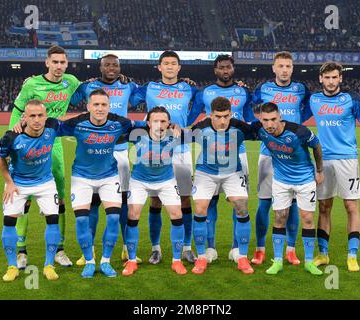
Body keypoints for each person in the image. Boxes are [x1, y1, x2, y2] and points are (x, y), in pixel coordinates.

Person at [8, 45, 80, 268]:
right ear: (47, 63)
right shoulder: (31, 84)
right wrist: (13, 144)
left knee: (59, 195)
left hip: (54, 143)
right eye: (55, 62)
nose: (59, 66)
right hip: (28, 142)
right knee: (23, 195)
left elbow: (92, 89)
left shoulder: (71, 82)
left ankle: (59, 249)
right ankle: (21, 250)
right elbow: (17, 111)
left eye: (63, 62)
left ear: (67, 64)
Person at [70, 53, 143, 265]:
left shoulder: (128, 86)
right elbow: (71, 98)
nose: (111, 67)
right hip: (93, 151)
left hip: (120, 151)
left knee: (122, 202)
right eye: (107, 64)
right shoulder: (88, 87)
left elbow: (145, 94)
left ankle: (125, 248)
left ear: (120, 68)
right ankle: (89, 251)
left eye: (115, 65)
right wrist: (80, 83)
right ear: (100, 67)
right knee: (91, 204)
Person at [187, 54, 256, 263]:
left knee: (240, 203)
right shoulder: (205, 93)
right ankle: (210, 248)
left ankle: (237, 249)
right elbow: (191, 119)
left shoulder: (243, 91)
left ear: (233, 69)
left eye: (228, 67)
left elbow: (251, 118)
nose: (225, 70)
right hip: (210, 153)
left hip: (238, 153)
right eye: (221, 67)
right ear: (215, 70)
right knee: (209, 203)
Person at [130, 50, 198, 264]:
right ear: (159, 67)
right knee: (156, 199)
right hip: (155, 149)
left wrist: (185, 123)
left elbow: (199, 105)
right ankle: (156, 248)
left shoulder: (189, 87)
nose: (169, 66)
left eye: (173, 63)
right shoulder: (149, 87)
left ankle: (186, 247)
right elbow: (130, 97)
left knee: (186, 199)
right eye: (165, 63)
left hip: (181, 150)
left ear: (179, 67)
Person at [243, 102, 325, 276]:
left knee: (308, 219)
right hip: (280, 181)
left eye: (273, 119)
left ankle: (309, 262)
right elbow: (238, 128)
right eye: (265, 120)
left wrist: (319, 170)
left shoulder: (299, 132)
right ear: (260, 119)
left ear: (280, 116)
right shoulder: (260, 129)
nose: (270, 124)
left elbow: (317, 146)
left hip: (304, 180)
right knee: (279, 217)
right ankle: (278, 261)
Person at [309, 61, 360, 272]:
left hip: (348, 159)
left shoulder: (351, 99)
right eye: (326, 78)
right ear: (321, 79)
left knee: (351, 206)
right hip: (323, 159)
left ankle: (352, 255)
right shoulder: (314, 99)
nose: (330, 81)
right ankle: (323, 254)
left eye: (334, 77)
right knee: (324, 207)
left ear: (340, 78)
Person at [251, 51, 312, 265]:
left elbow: (307, 112)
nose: (284, 70)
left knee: (293, 205)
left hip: (294, 157)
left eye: (288, 66)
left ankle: (291, 249)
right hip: (268, 154)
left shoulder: (301, 89)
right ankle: (260, 249)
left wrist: (295, 125)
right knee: (264, 203)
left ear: (292, 68)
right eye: (281, 66)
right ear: (274, 68)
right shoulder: (263, 89)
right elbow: (253, 111)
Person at [0, 100, 62, 282]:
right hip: (18, 184)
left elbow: (76, 123)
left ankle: (49, 265)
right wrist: (8, 182)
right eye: (32, 115)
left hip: (45, 182)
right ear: (24, 117)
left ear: (46, 116)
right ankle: (12, 267)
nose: (37, 120)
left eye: (40, 115)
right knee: (9, 222)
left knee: (53, 220)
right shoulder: (11, 137)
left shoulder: (53, 126)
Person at [122, 106, 187, 276]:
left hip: (166, 181)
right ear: (148, 123)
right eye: (155, 121)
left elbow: (200, 133)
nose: (159, 124)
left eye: (163, 121)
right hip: (139, 181)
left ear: (169, 123)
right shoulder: (137, 135)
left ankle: (177, 261)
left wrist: (181, 128)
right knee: (133, 214)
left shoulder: (175, 136)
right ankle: (131, 261)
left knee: (177, 214)